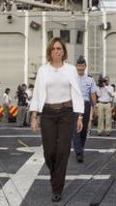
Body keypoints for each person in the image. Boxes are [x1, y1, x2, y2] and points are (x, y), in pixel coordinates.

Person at [30, 37, 84, 202]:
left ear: (63, 51)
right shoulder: (43, 70)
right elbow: (38, 93)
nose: (56, 51)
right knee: (49, 151)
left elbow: (77, 92)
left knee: (63, 151)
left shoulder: (71, 69)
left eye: (59, 48)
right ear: (49, 52)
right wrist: (34, 116)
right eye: (53, 49)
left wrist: (79, 116)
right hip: (47, 113)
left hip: (66, 113)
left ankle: (57, 188)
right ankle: (56, 176)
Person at [74, 56, 98, 163]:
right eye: (78, 65)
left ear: (85, 66)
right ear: (76, 66)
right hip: (74, 105)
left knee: (83, 130)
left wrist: (95, 106)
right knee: (76, 129)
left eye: (82, 65)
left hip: (86, 105)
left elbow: (92, 94)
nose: (80, 68)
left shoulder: (90, 79)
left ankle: (81, 148)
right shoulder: (72, 77)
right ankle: (79, 152)